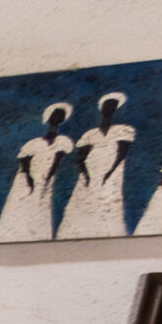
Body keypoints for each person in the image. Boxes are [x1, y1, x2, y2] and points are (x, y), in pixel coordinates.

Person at [0, 102, 72, 243]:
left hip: (45, 177)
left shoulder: (62, 142)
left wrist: (47, 178)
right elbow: (24, 161)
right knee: (21, 203)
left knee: (40, 204)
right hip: (26, 178)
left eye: (61, 115)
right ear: (48, 117)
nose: (58, 117)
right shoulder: (34, 143)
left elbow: (57, 161)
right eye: (55, 114)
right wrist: (29, 178)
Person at [59, 92, 135, 239]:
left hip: (111, 172)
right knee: (83, 201)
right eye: (107, 105)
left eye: (113, 105)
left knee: (107, 202)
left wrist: (110, 171)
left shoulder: (122, 130)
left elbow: (121, 154)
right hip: (90, 170)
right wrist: (86, 174)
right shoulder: (90, 134)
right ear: (101, 108)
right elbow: (80, 158)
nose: (110, 108)